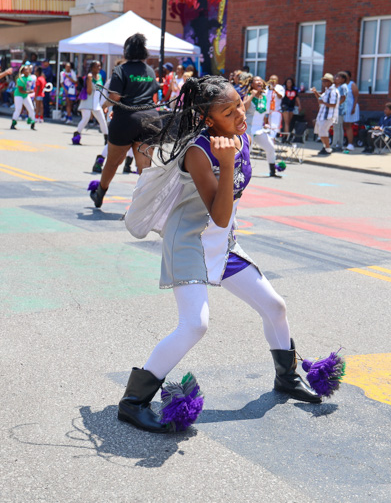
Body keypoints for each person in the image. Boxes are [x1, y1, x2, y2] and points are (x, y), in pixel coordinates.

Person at [116, 75, 338, 433]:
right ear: (208, 119)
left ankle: (287, 378)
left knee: (275, 306)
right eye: (228, 110)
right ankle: (132, 402)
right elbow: (218, 212)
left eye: (240, 105)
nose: (240, 114)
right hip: (188, 241)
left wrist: (233, 154)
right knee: (195, 324)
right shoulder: (199, 151)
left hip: (222, 242)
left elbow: (226, 215)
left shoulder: (242, 136)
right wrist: (228, 161)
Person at [89, 33, 160, 208]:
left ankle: (100, 193)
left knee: (113, 162)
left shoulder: (121, 70)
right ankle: (146, 204)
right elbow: (153, 95)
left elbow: (115, 96)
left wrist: (104, 106)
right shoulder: (149, 70)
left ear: (126, 51)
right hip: (151, 118)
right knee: (145, 166)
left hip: (126, 119)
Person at [243, 75, 281, 177]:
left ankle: (272, 171)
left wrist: (267, 123)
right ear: (252, 84)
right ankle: (243, 173)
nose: (259, 82)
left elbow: (264, 113)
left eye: (260, 81)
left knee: (270, 148)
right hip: (248, 128)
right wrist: (251, 95)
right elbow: (243, 108)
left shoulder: (264, 97)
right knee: (247, 152)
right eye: (256, 81)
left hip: (259, 129)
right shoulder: (248, 95)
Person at [75, 60, 109, 145]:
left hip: (96, 104)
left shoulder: (100, 76)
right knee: (86, 118)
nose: (99, 68)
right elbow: (89, 91)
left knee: (102, 120)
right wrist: (89, 80)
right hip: (87, 102)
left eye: (100, 66)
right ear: (92, 67)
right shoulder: (89, 77)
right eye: (97, 66)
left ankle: (107, 139)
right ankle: (76, 136)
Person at [312, 73, 338, 156]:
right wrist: (315, 92)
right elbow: (320, 98)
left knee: (323, 132)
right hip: (322, 115)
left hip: (328, 116)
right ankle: (326, 148)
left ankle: (327, 149)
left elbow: (334, 104)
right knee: (320, 133)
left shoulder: (333, 92)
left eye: (325, 81)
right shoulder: (327, 91)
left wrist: (323, 103)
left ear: (330, 82)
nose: (323, 82)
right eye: (323, 81)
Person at [338, 71, 360, 151]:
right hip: (343, 108)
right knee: (343, 125)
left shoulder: (352, 84)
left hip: (350, 107)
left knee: (348, 125)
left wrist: (353, 108)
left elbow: (356, 97)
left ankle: (351, 144)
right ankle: (343, 142)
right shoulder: (342, 86)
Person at [11, 65, 36, 130]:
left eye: (28, 69)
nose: (27, 71)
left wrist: (31, 91)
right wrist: (29, 92)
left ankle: (32, 123)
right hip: (18, 95)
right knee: (18, 109)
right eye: (25, 70)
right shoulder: (20, 79)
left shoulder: (30, 78)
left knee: (31, 108)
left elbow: (29, 87)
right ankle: (13, 123)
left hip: (25, 95)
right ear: (22, 72)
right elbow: (20, 90)